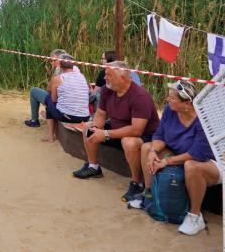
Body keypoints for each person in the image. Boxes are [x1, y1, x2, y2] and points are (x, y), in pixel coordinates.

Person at [130, 80, 223, 236]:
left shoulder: (203, 118)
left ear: (186, 103)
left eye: (172, 98)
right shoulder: (170, 110)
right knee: (146, 148)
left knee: (191, 166)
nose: (167, 100)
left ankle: (195, 216)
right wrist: (153, 151)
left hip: (210, 161)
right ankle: (149, 194)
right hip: (180, 153)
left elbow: (197, 154)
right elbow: (160, 134)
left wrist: (166, 161)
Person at [72, 61, 160, 204]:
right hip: (116, 128)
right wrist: (96, 128)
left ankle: (137, 183)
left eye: (109, 75)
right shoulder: (107, 90)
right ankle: (93, 167)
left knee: (129, 142)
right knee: (89, 128)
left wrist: (105, 134)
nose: (104, 78)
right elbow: (100, 114)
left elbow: (136, 130)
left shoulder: (140, 96)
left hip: (144, 135)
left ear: (122, 78)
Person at [24, 53, 89, 142]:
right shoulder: (82, 76)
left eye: (54, 60)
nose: (53, 62)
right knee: (51, 102)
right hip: (85, 116)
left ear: (60, 64)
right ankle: (49, 127)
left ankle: (49, 135)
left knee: (49, 100)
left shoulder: (58, 78)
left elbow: (53, 99)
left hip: (69, 116)